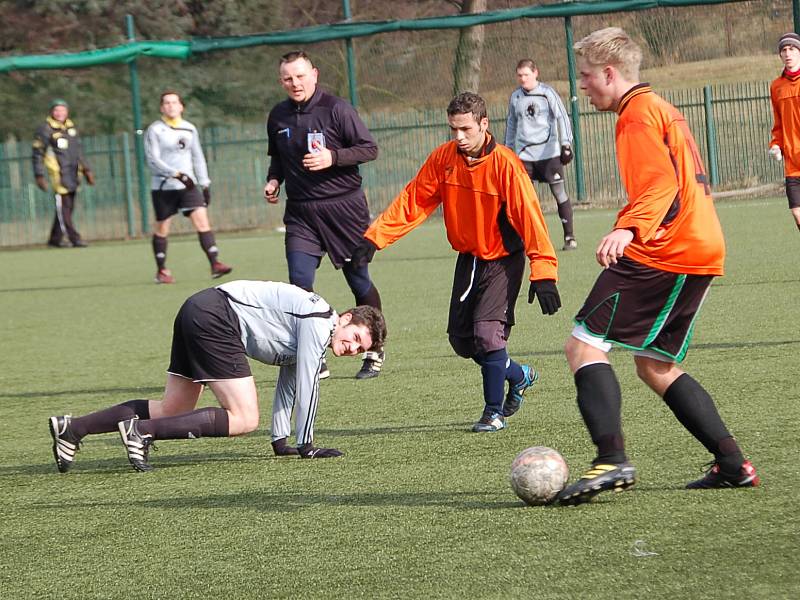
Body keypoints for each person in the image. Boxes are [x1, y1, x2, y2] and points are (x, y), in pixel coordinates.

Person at [556, 27, 759, 506]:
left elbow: (660, 184)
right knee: (654, 364)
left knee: (583, 344)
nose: (582, 86)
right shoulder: (659, 108)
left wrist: (628, 227)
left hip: (667, 248)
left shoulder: (637, 117)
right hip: (696, 246)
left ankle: (612, 458)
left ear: (610, 73)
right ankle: (732, 463)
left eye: (586, 76)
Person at [351, 92, 559, 433]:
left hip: (503, 260)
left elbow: (531, 220)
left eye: (464, 129)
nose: (458, 137)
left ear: (483, 124)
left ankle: (493, 413)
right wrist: (376, 238)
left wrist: (544, 272)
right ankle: (518, 375)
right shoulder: (445, 158)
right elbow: (415, 199)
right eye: (453, 129)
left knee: (488, 335)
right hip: (469, 258)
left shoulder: (507, 165)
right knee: (463, 342)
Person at [47, 280, 387, 472]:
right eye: (355, 337)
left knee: (172, 409)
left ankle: (73, 429)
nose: (352, 348)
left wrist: (281, 442)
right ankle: (141, 432)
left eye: (360, 350)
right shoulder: (319, 320)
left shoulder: (317, 330)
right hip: (217, 318)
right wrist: (307, 446)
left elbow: (289, 384)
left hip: (199, 308)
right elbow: (308, 385)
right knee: (244, 418)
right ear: (345, 318)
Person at [263, 51, 385, 380]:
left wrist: (333, 157)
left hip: (344, 209)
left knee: (358, 280)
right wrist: (274, 180)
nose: (295, 83)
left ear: (314, 74)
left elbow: (368, 149)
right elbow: (277, 159)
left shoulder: (337, 109)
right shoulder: (277, 116)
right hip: (302, 213)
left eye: (301, 76)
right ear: (281, 81)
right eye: (288, 78)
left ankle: (375, 349)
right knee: (299, 285)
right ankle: (315, 354)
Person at [144, 90, 233, 284]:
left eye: (174, 102)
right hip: (164, 187)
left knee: (202, 221)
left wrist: (205, 183)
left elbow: (198, 157)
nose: (171, 106)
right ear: (161, 108)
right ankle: (162, 270)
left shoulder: (189, 128)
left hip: (189, 186)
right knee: (162, 228)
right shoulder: (155, 130)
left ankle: (215, 264)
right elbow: (152, 160)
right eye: (166, 103)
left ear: (181, 106)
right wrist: (175, 174)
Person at [505, 59, 577, 251]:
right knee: (523, 198)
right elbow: (511, 124)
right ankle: (526, 239)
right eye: (520, 75)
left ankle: (569, 237)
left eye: (526, 75)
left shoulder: (547, 93)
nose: (523, 79)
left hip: (549, 154)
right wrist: (508, 149)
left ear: (536, 73)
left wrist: (566, 144)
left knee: (559, 192)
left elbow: (561, 117)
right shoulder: (516, 98)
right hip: (524, 156)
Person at [32, 99, 94, 248]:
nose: (60, 113)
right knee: (64, 207)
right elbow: (38, 153)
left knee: (67, 207)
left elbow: (78, 151)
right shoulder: (45, 129)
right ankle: (74, 237)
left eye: (63, 110)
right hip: (58, 174)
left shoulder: (71, 128)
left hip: (73, 173)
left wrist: (87, 169)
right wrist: (39, 175)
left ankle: (55, 239)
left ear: (67, 111)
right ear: (51, 112)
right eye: (56, 110)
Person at [769, 32, 800, 232]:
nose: (787, 54)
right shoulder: (776, 86)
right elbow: (778, 123)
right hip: (792, 164)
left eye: (792, 49)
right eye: (784, 50)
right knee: (797, 213)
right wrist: (775, 144)